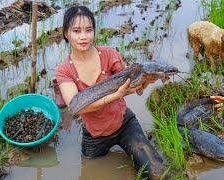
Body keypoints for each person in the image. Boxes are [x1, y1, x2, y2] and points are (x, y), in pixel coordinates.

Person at [55, 6, 165, 179]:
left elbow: (128, 87)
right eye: (76, 31)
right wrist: (112, 97)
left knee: (156, 173)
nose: (83, 36)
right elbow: (76, 107)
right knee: (91, 170)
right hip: (94, 134)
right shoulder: (64, 70)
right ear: (66, 34)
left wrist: (144, 83)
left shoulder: (109, 54)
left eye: (88, 30)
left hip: (124, 123)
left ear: (94, 32)